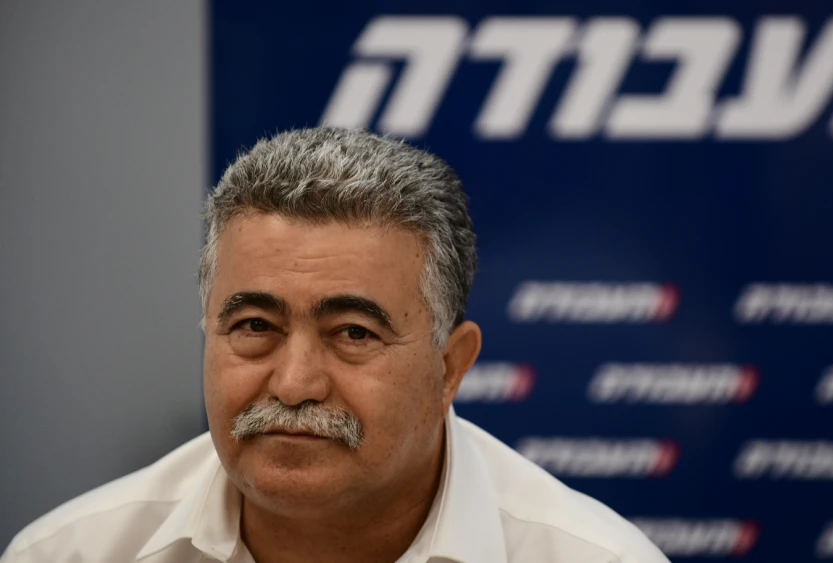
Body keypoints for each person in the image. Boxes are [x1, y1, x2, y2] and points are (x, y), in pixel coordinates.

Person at [1, 128, 669, 563]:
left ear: (449, 367)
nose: (293, 384)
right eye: (255, 326)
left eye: (353, 333)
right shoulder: (71, 553)